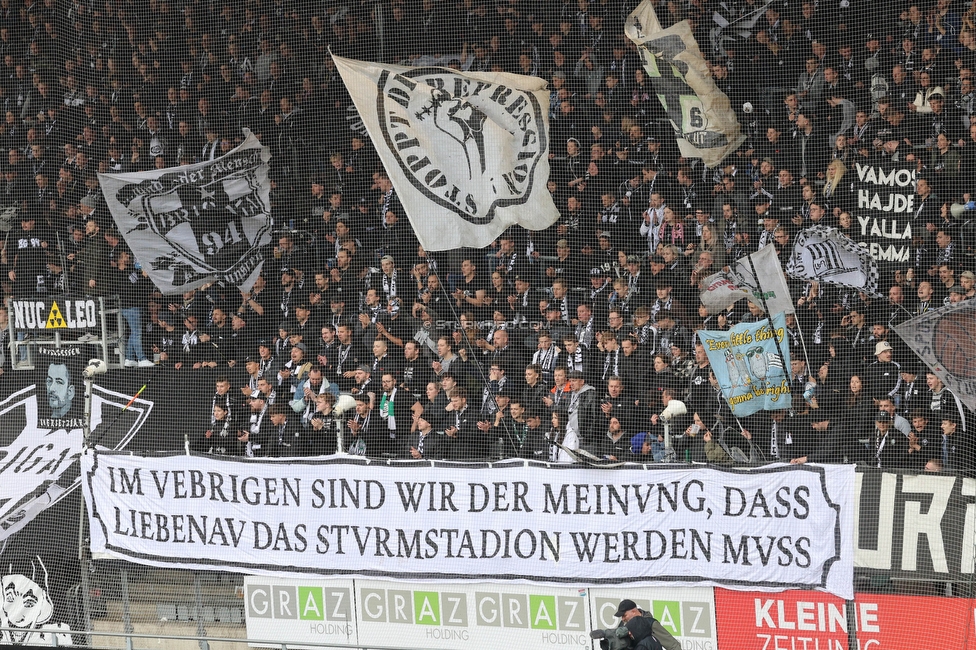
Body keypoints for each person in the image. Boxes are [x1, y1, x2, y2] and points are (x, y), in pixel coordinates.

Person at [611, 599, 681, 650]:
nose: (622, 619)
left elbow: (673, 645)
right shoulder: (623, 624)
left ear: (634, 612)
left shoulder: (651, 624)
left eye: (624, 615)